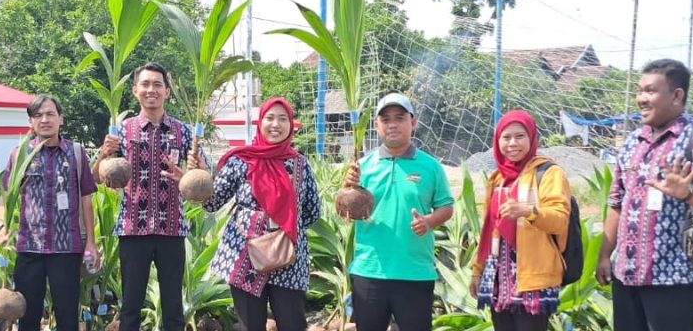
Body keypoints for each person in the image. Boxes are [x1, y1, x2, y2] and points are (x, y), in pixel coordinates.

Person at [596, 59, 693, 331]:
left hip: (677, 275)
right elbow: (617, 204)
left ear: (676, 95)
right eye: (639, 91)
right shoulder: (633, 141)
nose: (641, 99)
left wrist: (688, 192)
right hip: (627, 273)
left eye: (650, 91)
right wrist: (604, 256)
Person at [93, 63, 205, 331]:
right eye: (145, 84)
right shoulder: (121, 131)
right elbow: (96, 178)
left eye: (157, 84)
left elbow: (202, 183)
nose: (151, 89)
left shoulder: (184, 132)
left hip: (172, 229)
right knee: (130, 306)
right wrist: (104, 154)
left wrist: (192, 173)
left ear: (167, 92)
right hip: (133, 228)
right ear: (135, 90)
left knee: (173, 307)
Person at [203, 97, 320, 331]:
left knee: (293, 324)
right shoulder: (240, 161)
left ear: (290, 125)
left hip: (288, 259)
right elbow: (212, 203)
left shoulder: (300, 165)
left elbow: (312, 210)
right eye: (270, 118)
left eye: (283, 119)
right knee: (250, 325)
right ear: (260, 122)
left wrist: (283, 227)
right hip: (244, 256)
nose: (276, 124)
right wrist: (198, 178)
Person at [343, 93, 454, 331]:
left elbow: (446, 207)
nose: (392, 124)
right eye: (386, 119)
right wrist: (347, 189)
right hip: (369, 270)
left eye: (400, 118)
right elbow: (347, 212)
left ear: (413, 122)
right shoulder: (362, 167)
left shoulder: (431, 167)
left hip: (415, 272)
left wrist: (429, 221)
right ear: (377, 125)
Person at [0, 94, 100, 331]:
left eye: (51, 114)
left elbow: (87, 199)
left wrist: (91, 243)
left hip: (66, 248)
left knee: (67, 317)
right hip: (29, 248)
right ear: (30, 122)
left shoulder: (76, 153)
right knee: (28, 317)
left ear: (61, 119)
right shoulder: (20, 154)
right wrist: (2, 226)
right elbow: (5, 197)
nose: (45, 119)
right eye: (38, 115)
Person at [470, 110, 570, 331]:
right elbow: (489, 228)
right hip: (498, 278)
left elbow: (560, 220)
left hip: (533, 278)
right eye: (506, 137)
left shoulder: (549, 173)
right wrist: (478, 271)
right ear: (497, 142)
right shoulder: (498, 178)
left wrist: (528, 211)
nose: (512, 143)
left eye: (520, 136)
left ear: (532, 138)